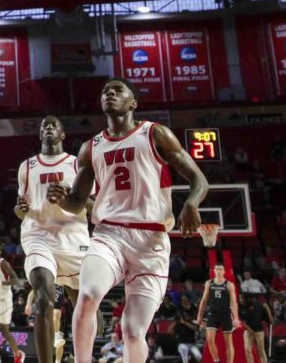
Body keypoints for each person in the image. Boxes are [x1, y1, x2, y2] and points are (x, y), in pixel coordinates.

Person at [50, 79, 209, 363]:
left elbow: (199, 179)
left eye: (117, 90)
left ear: (133, 103)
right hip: (109, 234)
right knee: (88, 296)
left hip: (151, 242)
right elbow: (76, 202)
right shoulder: (91, 148)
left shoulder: (155, 134)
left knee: (133, 331)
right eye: (105, 91)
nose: (109, 93)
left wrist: (191, 203)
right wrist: (62, 198)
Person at [16, 116, 91, 363]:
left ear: (62, 135)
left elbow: (95, 205)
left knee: (87, 310)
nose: (48, 127)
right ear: (40, 135)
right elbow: (20, 211)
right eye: (43, 126)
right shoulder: (26, 167)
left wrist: (70, 196)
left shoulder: (77, 163)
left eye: (53, 125)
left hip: (73, 238)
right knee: (42, 297)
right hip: (38, 235)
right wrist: (21, 208)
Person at [197, 265, 239, 363]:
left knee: (228, 342)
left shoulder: (229, 284)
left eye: (220, 269)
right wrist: (199, 316)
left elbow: (233, 302)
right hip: (212, 313)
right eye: (217, 269)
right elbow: (204, 300)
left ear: (224, 271)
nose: (218, 271)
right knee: (210, 340)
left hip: (225, 314)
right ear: (213, 270)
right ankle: (217, 360)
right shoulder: (209, 283)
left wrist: (236, 318)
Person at [241, 290, 274, 363]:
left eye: (241, 298)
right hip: (248, 331)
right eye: (239, 298)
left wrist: (270, 316)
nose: (240, 300)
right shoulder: (241, 308)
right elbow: (243, 322)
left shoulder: (256, 304)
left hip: (259, 330)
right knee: (247, 350)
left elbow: (265, 305)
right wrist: (251, 331)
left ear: (246, 299)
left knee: (260, 350)